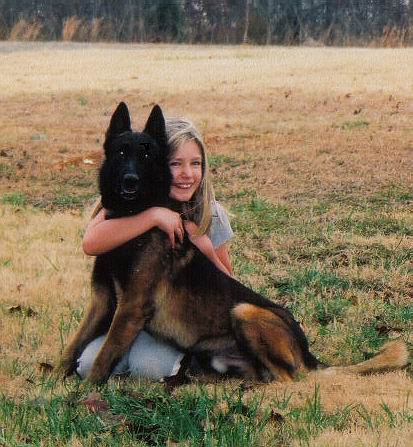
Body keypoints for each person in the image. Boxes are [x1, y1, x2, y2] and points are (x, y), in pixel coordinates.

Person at [76, 116, 235, 380]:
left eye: (196, 163)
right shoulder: (131, 203)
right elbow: (91, 242)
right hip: (129, 318)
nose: (187, 174)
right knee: (86, 366)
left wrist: (204, 246)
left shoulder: (210, 213)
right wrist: (153, 216)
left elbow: (228, 285)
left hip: (176, 324)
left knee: (146, 368)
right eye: (175, 164)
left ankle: (186, 360)